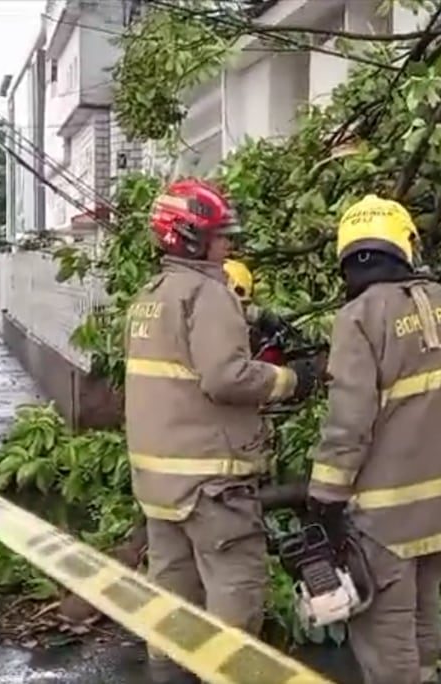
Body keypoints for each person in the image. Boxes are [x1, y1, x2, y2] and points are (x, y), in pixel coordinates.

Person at [126, 179, 321, 684]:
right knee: (237, 588)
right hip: (212, 482)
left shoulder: (151, 296)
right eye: (220, 236)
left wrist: (251, 317)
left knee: (171, 596)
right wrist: (294, 380)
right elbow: (225, 378)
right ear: (192, 238)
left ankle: (168, 676)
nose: (229, 243)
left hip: (160, 485)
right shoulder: (208, 294)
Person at [306, 195, 441, 684]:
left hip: (386, 513)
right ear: (405, 246)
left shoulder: (358, 318)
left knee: (386, 625)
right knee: (424, 607)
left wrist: (326, 494)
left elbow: (349, 419)